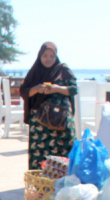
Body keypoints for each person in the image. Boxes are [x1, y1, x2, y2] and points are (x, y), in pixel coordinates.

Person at [19, 42, 78, 170]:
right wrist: (37, 89)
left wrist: (57, 88)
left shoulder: (63, 70)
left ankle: (63, 183)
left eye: (52, 56)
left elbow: (73, 89)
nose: (48, 59)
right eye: (45, 55)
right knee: (40, 157)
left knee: (64, 155)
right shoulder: (35, 72)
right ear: (40, 56)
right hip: (40, 123)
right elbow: (24, 91)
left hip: (60, 121)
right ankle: (41, 185)